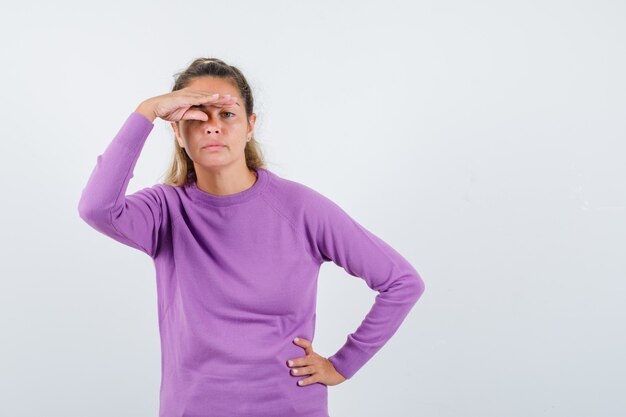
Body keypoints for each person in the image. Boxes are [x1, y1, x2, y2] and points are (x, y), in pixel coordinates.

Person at [77, 57, 425, 417]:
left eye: (226, 114)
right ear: (178, 132)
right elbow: (97, 209)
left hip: (289, 406)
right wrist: (146, 112)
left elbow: (401, 282)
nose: (212, 126)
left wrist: (342, 364)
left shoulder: (300, 208)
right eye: (196, 115)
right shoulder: (165, 210)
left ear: (249, 126)